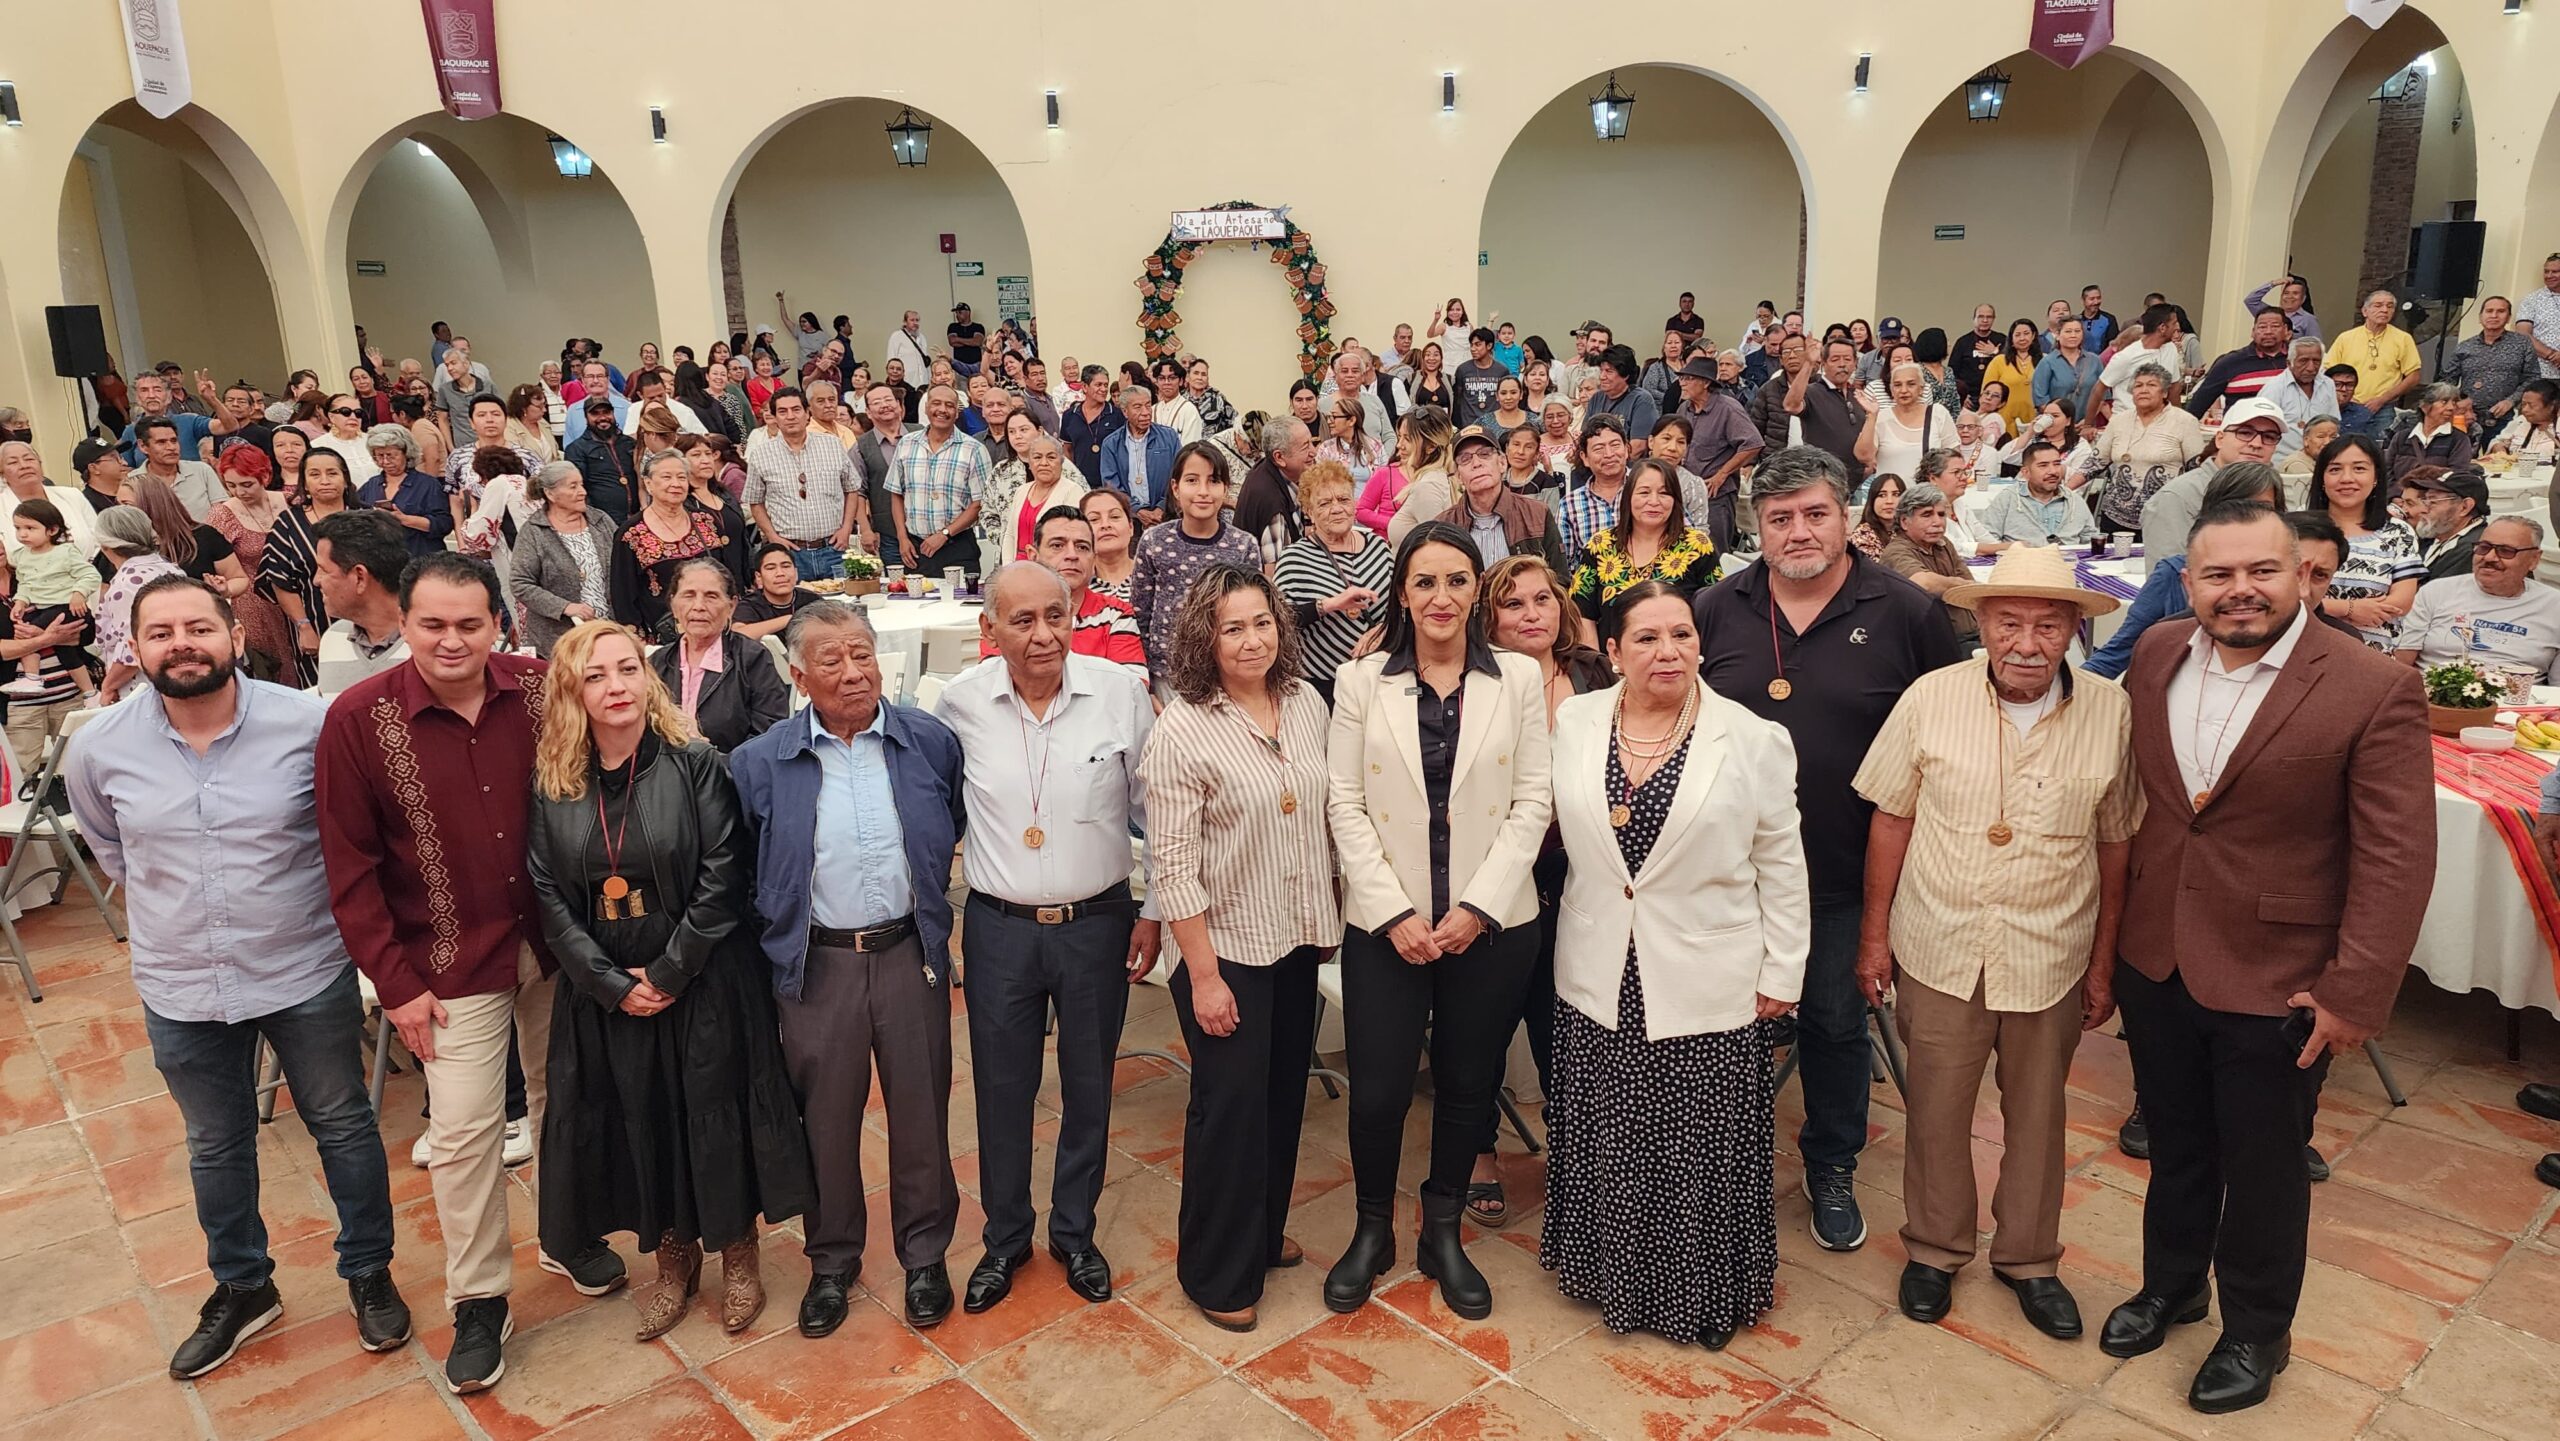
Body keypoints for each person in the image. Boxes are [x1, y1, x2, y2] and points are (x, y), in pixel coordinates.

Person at [2101, 501, 2432, 1415]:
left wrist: (2355, 991)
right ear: (2188, 582)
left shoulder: (2371, 686)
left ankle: (2256, 1328)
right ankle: (2173, 1284)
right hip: (2160, 956)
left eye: (2260, 571)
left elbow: (2398, 856)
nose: (2239, 589)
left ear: (2302, 576)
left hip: (2281, 975)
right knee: (2174, 1143)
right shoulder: (2159, 652)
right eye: (2217, 574)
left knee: (2265, 1163)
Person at [65, 576, 411, 1380]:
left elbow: (350, 838)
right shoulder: (100, 744)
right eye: (160, 632)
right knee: (216, 1143)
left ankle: (369, 1270)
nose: (181, 642)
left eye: (197, 626)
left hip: (301, 969)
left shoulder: (309, 724)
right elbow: (114, 851)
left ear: (233, 632)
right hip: (181, 983)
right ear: (135, 647)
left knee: (344, 1125)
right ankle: (243, 1286)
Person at [316, 553, 627, 1394]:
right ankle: (480, 1295)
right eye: (432, 624)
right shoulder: (357, 719)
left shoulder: (538, 688)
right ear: (404, 623)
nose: (451, 640)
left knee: (571, 1099)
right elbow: (348, 867)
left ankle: (567, 1231)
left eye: (468, 623)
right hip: (445, 964)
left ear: (500, 622)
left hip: (559, 947)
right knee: (459, 1134)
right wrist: (394, 982)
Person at [1852, 549, 2138, 1340]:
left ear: (2074, 630)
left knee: (2041, 1112)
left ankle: (2029, 1259)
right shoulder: (1929, 697)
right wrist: (1873, 939)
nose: (2026, 641)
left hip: (2051, 946)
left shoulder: (2112, 710)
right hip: (1939, 938)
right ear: (1980, 623)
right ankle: (1936, 1248)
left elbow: (2117, 842)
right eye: (2008, 621)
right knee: (1937, 1107)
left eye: (2048, 624)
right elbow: (1891, 817)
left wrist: (2104, 958)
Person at [1693, 447, 1965, 1253]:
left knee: (1837, 1025)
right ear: (1757, 527)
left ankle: (1831, 1163)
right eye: (1779, 518)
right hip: (1727, 874)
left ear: (1848, 515)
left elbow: (1945, 729)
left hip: (1849, 871)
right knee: (1721, 1026)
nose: (1798, 530)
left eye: (1815, 513)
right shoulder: (1716, 606)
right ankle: (1724, 1166)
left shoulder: (1905, 611)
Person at [525, 620, 813, 1341]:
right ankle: (673, 1259)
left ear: (648, 678)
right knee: (642, 1116)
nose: (616, 686)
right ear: (572, 690)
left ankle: (739, 1255)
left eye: (627, 669)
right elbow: (546, 893)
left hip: (704, 975)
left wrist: (667, 969)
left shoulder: (694, 762)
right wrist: (609, 981)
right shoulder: (555, 779)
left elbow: (724, 872)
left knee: (715, 1114)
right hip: (609, 992)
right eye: (596, 675)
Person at [1543, 581, 1806, 1348]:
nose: (1668, 651)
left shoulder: (1751, 737)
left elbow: (1782, 863)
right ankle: (1606, 1274)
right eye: (1648, 638)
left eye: (1682, 635)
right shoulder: (1577, 719)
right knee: (1611, 1133)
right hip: (1598, 965)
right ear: (1614, 651)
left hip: (1707, 971)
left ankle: (1695, 1294)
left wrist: (1782, 971)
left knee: (1695, 1141)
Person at [1322, 524, 1552, 1320]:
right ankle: (1373, 1227)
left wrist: (1477, 907)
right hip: (1388, 926)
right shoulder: (1361, 682)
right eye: (1425, 582)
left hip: (1490, 925)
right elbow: (1343, 803)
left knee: (1466, 1083)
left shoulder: (1517, 678)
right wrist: (1394, 913)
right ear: (1402, 593)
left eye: (1457, 580)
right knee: (1380, 1089)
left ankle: (1443, 1227)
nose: (1441, 597)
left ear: (1476, 591)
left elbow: (1533, 801)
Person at [728, 601, 968, 1336]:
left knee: (922, 1111)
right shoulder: (759, 761)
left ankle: (925, 1254)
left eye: (861, 653)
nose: (853, 671)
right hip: (817, 966)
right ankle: (832, 1260)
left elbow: (948, 824)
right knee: (825, 1122)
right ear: (797, 673)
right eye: (831, 659)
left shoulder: (926, 740)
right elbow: (743, 867)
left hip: (907, 955)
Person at [930, 564, 1158, 1315]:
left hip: (1098, 922)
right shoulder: (957, 705)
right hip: (1000, 929)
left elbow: (1158, 811)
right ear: (989, 630)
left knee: (1090, 1086)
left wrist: (1154, 908)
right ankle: (1004, 1238)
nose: (1043, 635)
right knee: (1002, 1090)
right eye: (1022, 620)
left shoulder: (1118, 693)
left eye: (1055, 615)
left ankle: (1075, 1230)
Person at [1138, 565, 1339, 1332]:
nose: (1252, 639)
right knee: (1227, 1109)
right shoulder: (1183, 727)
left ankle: (1257, 1234)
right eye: (1232, 628)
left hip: (1294, 942)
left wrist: (1327, 912)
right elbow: (1174, 864)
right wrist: (1204, 974)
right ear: (1205, 639)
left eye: (1262, 622)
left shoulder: (1306, 702)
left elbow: (1318, 818)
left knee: (1281, 1098)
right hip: (1225, 952)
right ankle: (1216, 1270)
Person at [2084, 465, 2287, 680]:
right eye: (2236, 507)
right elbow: (2117, 653)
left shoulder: (2285, 579)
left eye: (2262, 509)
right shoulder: (2172, 575)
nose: (2246, 520)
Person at [1130, 443, 1259, 689]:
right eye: (1192, 480)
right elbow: (1140, 613)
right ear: (1176, 488)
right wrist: (1143, 678)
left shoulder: (1243, 545)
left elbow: (1250, 614)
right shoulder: (1154, 541)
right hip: (1167, 676)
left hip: (1226, 675)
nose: (1203, 491)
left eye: (1213, 481)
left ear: (1225, 489)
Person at [1274, 461, 1391, 703]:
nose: (1336, 508)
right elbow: (1278, 622)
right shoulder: (1295, 558)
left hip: (1382, 678)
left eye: (1343, 499)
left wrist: (1384, 629)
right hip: (1324, 687)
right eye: (1325, 503)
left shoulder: (1379, 548)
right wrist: (1327, 605)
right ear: (1308, 511)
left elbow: (1404, 607)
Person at [645, 557, 788, 754]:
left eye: (711, 596)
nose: (699, 606)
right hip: (669, 779)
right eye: (688, 595)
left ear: (731, 606)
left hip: (732, 777)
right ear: (673, 605)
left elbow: (771, 735)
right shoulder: (656, 663)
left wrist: (712, 761)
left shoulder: (752, 659)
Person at [2392, 515, 2560, 679]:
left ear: (2534, 559)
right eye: (2484, 547)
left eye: (2506, 551)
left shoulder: (2554, 606)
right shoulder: (2437, 591)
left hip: (2521, 702)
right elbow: (2401, 664)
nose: (2489, 557)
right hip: (2437, 695)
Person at [1569, 458, 1717, 642]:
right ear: (1628, 496)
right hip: (1611, 664)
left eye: (1664, 493)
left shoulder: (1697, 546)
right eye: (1644, 492)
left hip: (1676, 662)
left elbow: (1717, 613)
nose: (1654, 501)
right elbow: (1582, 614)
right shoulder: (1600, 545)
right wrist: (1597, 667)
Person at [2138, 397, 2286, 570]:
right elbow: (2170, 580)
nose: (2256, 444)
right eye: (2245, 433)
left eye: (2269, 437)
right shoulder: (2178, 498)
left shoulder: (2270, 492)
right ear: (2220, 439)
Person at [613, 451, 747, 640]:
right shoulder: (631, 533)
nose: (675, 484)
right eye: (666, 477)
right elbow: (623, 595)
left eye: (682, 477)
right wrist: (637, 640)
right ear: (648, 484)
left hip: (714, 628)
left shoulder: (706, 520)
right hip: (664, 636)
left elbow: (728, 574)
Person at [2308, 434, 2423, 648]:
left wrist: (2326, 606)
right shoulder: (2298, 529)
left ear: (2376, 477)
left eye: (2359, 468)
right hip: (2308, 649)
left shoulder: (2398, 532)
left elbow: (2402, 601)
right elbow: (2288, 598)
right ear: (2321, 479)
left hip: (2374, 655)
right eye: (2335, 469)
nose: (2346, 478)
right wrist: (2350, 609)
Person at [742, 386, 859, 582]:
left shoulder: (832, 444)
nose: (790, 416)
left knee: (840, 609)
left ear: (807, 414)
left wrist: (846, 528)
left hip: (833, 548)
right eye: (782, 411)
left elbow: (852, 488)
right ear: (774, 418)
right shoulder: (761, 454)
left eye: (796, 409)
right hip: (790, 553)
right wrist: (773, 536)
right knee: (797, 611)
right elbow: (755, 501)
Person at [510, 462, 614, 659]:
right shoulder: (533, 531)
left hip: (607, 631)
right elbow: (520, 583)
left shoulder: (601, 521)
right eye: (573, 486)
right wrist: (565, 607)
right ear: (550, 494)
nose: (582, 492)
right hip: (559, 639)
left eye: (581, 485)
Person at [1877, 482, 1978, 644]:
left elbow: (1973, 590)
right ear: (1904, 521)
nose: (1937, 522)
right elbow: (1924, 583)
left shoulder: (1943, 544)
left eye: (1941, 514)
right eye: (1927, 515)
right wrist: (1961, 585)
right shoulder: (1897, 551)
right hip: (1932, 643)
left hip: (1972, 634)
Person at [2323, 289, 2423, 424]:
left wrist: (2382, 399)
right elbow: (2328, 372)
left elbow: (2413, 377)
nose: (2384, 310)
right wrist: (2343, 397)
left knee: (2378, 445)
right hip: (2346, 406)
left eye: (2389, 306)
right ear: (2365, 311)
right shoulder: (2346, 338)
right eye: (2378, 305)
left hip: (2383, 407)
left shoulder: (2403, 339)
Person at [357, 423, 450, 560]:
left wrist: (405, 520)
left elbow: (444, 524)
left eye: (391, 455)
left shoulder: (428, 484)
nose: (385, 461)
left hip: (421, 557)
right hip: (383, 560)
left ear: (406, 454)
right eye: (379, 456)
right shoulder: (371, 485)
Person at [1233, 417, 1314, 570]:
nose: (1313, 452)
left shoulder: (1265, 469)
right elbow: (1275, 574)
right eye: (1305, 447)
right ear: (1279, 457)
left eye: (1311, 442)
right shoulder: (1273, 504)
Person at [1983, 441, 2099, 546]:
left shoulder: (2075, 500)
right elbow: (1987, 539)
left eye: (2057, 464)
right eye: (2043, 465)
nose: (2053, 471)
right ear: (2026, 472)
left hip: (2068, 565)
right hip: (2021, 564)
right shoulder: (2008, 499)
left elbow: (2090, 541)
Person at [2405, 465, 2490, 582]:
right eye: (2424, 500)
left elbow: (2435, 595)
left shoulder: (2472, 551)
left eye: (2432, 501)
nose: (2424, 509)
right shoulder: (2437, 535)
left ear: (2464, 507)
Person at [565, 396, 637, 525]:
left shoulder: (629, 444)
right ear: (586, 417)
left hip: (637, 518)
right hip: (603, 522)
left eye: (606, 412)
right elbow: (578, 488)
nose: (602, 418)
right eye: (595, 414)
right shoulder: (577, 449)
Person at [2384, 382, 2477, 478]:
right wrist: (2399, 492)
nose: (2451, 408)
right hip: (2399, 492)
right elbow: (2387, 474)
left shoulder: (2459, 440)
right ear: (2425, 406)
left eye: (2453, 403)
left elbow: (2457, 477)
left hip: (2436, 492)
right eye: (2444, 402)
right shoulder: (2401, 438)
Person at [1081, 487, 1139, 603]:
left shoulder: (1153, 577)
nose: (1105, 525)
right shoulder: (1076, 586)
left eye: (1114, 517)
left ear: (1131, 527)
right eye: (1094, 519)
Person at [1847, 473, 1904, 559]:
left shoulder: (1909, 531)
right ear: (1872, 500)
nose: (1889, 501)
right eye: (1882, 495)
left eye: (1896, 494)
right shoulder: (1863, 537)